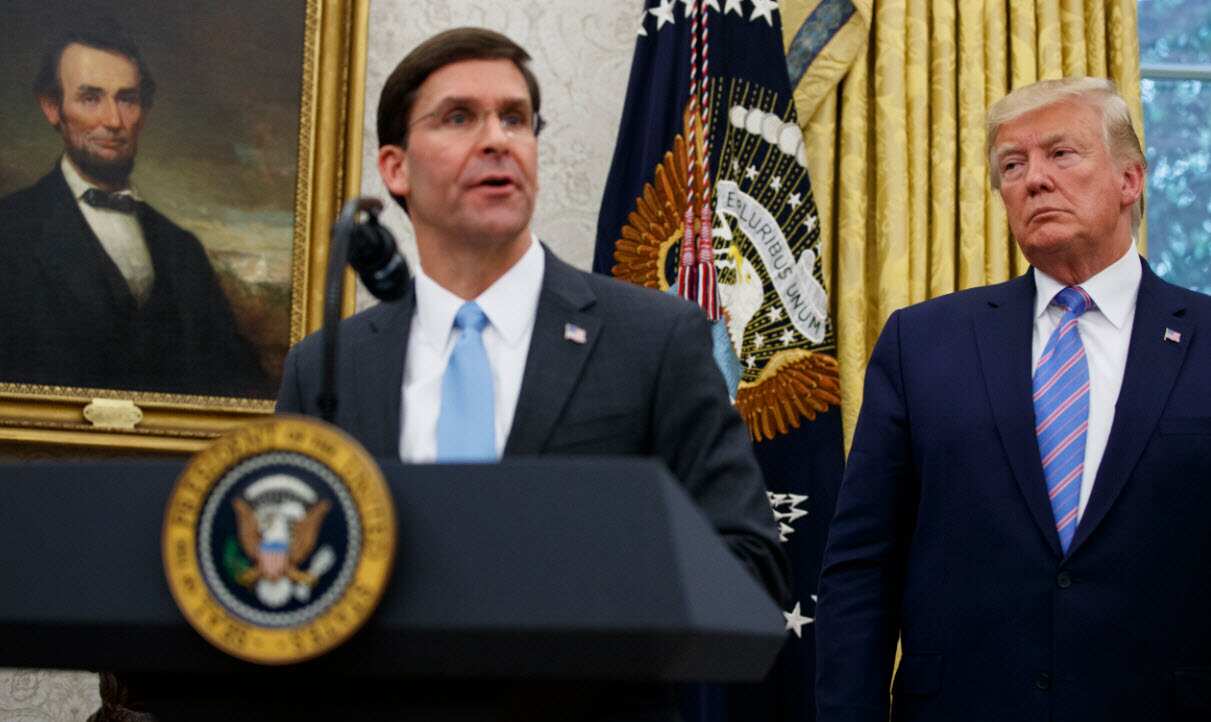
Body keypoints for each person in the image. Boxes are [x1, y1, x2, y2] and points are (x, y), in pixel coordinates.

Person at [277, 25, 787, 616]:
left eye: (516, 119)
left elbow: (750, 565)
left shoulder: (656, 339)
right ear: (395, 169)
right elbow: (288, 575)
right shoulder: (327, 366)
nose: (498, 140)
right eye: (460, 117)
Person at [815, 76, 1211, 722]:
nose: (1033, 179)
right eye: (1011, 164)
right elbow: (862, 564)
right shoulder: (922, 343)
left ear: (1129, 180)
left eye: (1061, 154)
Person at [0, 19, 271, 397]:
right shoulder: (9, 231)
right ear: (51, 107)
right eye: (91, 98)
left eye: (126, 99)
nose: (114, 121)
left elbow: (242, 391)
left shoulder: (183, 251)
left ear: (143, 110)